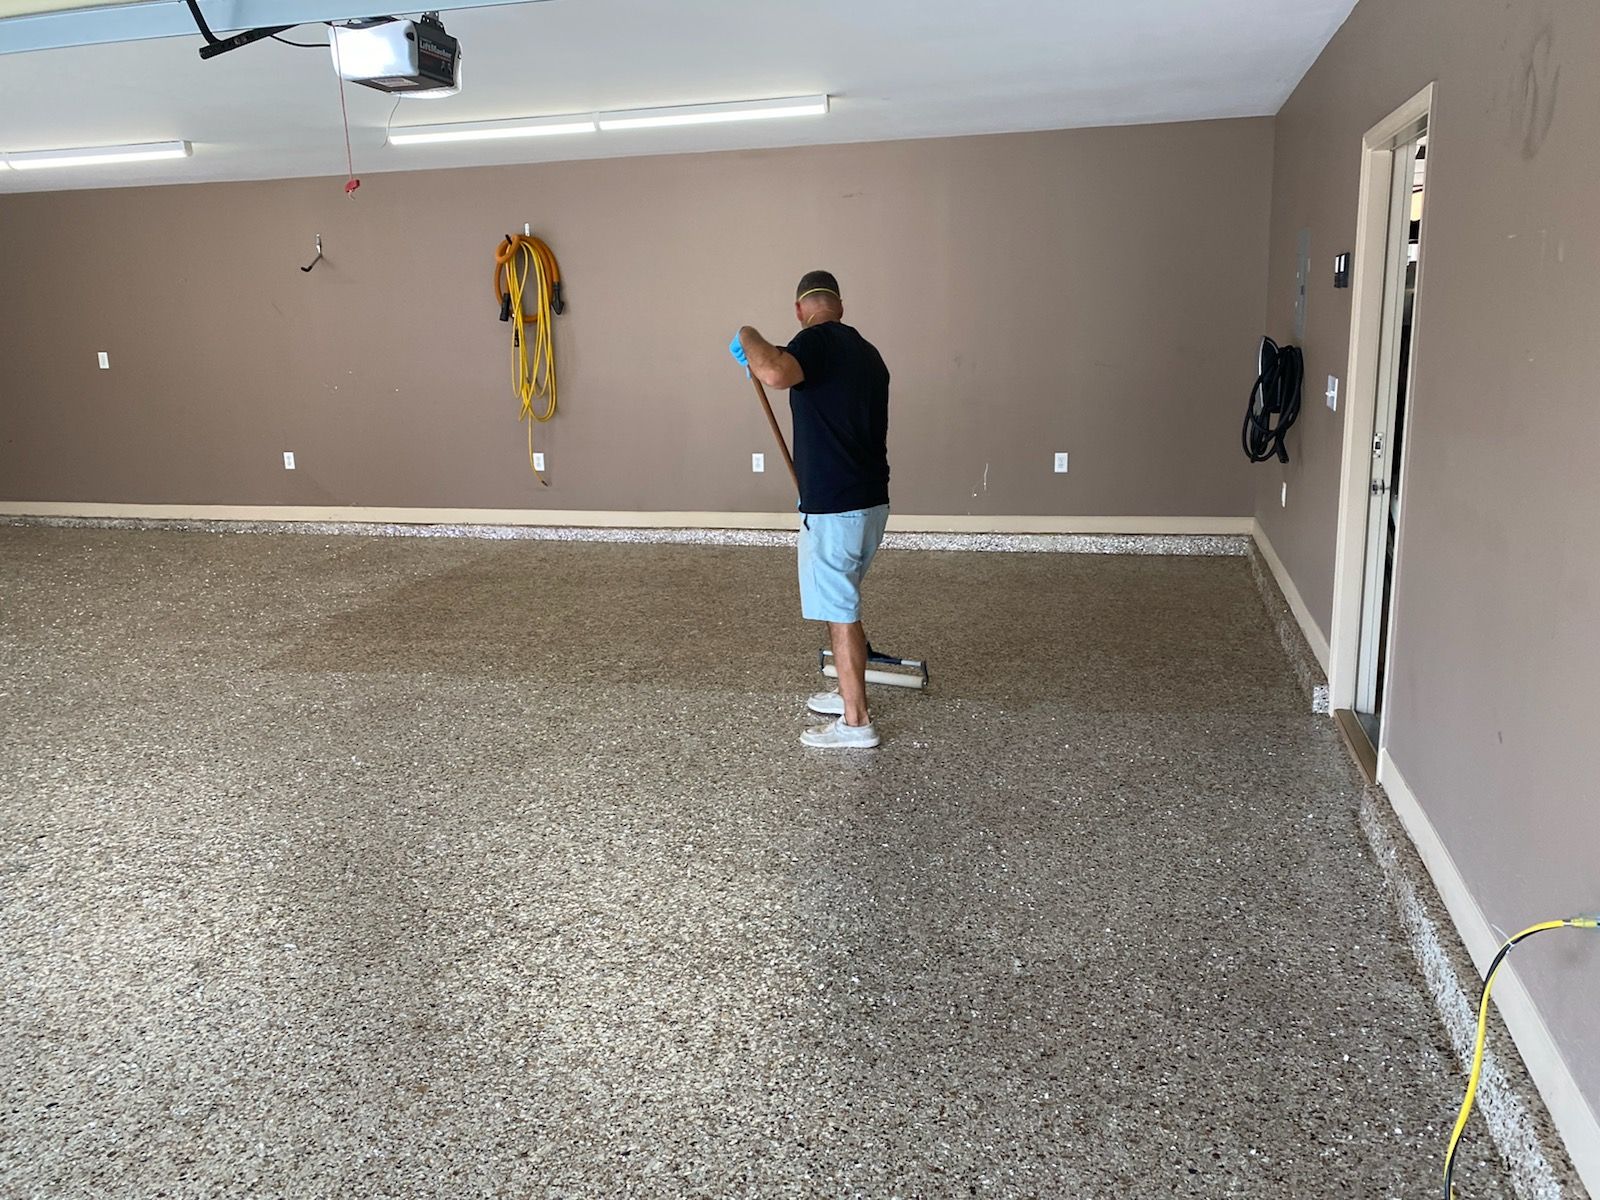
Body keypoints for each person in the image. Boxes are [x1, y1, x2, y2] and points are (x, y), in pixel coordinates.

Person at [730, 270, 891, 749]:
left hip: (835, 508)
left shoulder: (815, 343)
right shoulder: (868, 354)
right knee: (839, 599)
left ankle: (856, 723)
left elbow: (775, 372)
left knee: (840, 610)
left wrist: (747, 335)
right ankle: (848, 694)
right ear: (840, 305)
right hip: (870, 501)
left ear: (801, 311)